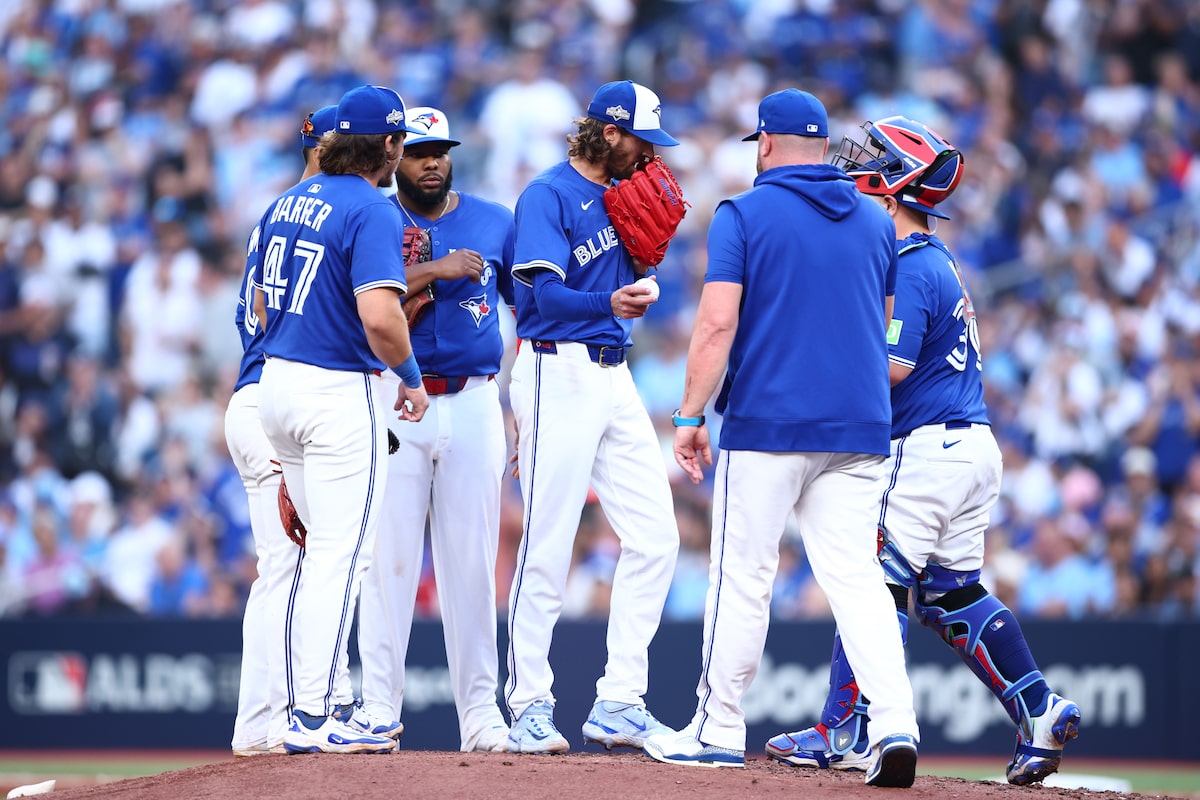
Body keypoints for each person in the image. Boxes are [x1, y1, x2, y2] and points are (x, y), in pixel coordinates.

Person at [764, 116, 1081, 786]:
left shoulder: (909, 263)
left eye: (866, 164)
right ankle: (1038, 707)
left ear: (889, 189)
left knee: (869, 581)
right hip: (970, 446)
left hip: (927, 447)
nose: (852, 171)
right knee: (948, 595)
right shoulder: (936, 261)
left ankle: (846, 728)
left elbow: (890, 367)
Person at [642, 89, 919, 789]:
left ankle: (718, 726)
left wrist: (688, 416)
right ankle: (895, 726)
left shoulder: (743, 212)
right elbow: (881, 326)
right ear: (823, 146)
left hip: (769, 423)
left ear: (765, 144)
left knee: (743, 576)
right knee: (857, 580)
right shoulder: (875, 220)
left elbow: (714, 326)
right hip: (858, 426)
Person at [504, 80, 681, 754]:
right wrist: (613, 300)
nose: (649, 155)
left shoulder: (619, 195)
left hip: (613, 373)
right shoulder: (548, 194)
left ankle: (620, 702)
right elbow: (543, 298)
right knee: (547, 542)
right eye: (641, 140)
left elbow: (620, 286)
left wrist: (638, 286)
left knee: (657, 537)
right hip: (555, 369)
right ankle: (528, 705)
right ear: (609, 132)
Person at [254, 84, 429, 755]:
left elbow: (268, 309)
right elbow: (382, 318)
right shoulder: (370, 206)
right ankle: (310, 716)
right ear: (388, 143)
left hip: (277, 380)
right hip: (333, 390)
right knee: (340, 557)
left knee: (319, 557)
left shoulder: (287, 199)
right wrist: (411, 379)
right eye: (400, 140)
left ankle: (319, 702)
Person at [356, 105, 515, 752]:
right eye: (419, 151)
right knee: (386, 562)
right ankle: (377, 713)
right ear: (396, 156)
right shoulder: (372, 216)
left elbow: (527, 315)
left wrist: (523, 405)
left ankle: (482, 717)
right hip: (396, 396)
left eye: (440, 150)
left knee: (472, 565)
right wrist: (431, 271)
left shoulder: (494, 221)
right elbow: (356, 300)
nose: (432, 161)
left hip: (476, 398)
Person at [228, 105, 362, 757]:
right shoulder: (335, 213)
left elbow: (255, 309)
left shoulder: (278, 212)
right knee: (315, 559)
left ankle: (267, 723)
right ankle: (302, 713)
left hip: (256, 396)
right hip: (281, 398)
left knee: (284, 567)